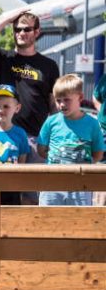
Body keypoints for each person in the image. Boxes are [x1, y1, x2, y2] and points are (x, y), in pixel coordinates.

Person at [0, 9, 60, 204]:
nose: (21, 33)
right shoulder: (3, 59)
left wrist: (52, 136)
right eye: (17, 29)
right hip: (2, 137)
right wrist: (6, 19)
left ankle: (25, 235)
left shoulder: (49, 65)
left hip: (34, 138)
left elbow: (53, 103)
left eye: (27, 29)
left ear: (37, 32)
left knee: (31, 197)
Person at [37, 74, 105, 206]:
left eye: (67, 100)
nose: (62, 104)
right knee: (47, 219)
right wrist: (57, 159)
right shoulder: (51, 121)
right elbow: (41, 149)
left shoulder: (92, 124)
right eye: (58, 100)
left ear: (80, 97)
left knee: (79, 220)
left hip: (81, 184)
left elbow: (98, 153)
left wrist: (84, 164)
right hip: (52, 182)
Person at [91, 74, 106, 205]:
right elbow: (96, 97)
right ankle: (99, 212)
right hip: (104, 132)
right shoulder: (105, 79)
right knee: (101, 173)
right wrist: (102, 111)